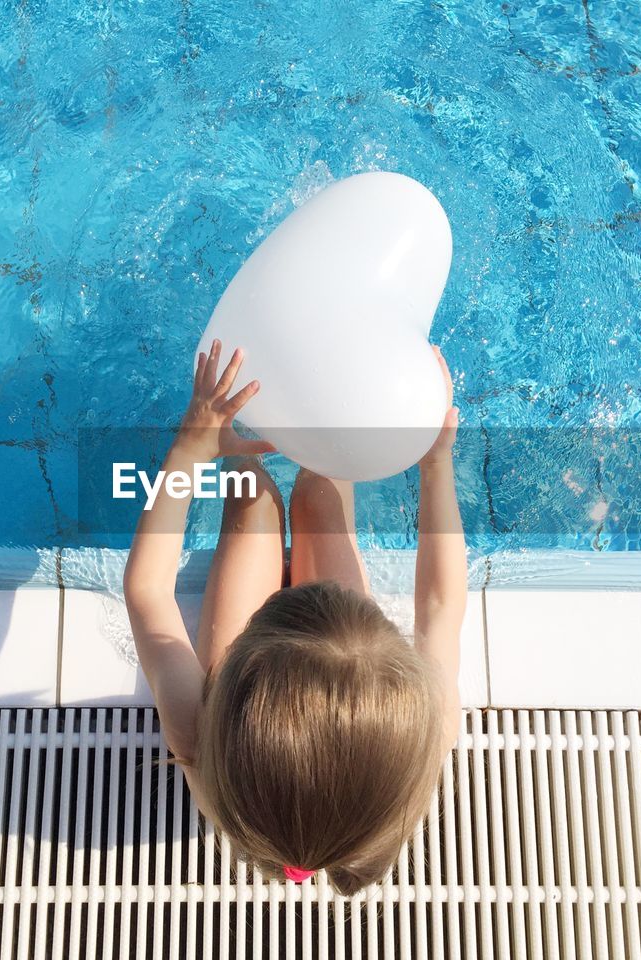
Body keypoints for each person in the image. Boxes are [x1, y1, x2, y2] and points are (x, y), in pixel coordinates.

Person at [122, 338, 464, 895]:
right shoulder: (425, 723)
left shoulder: (202, 738)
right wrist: (434, 461)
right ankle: (327, 443)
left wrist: (190, 452)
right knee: (322, 489)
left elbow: (147, 590)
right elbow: (441, 606)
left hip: (248, 714)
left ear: (240, 668)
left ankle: (249, 454)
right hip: (269, 698)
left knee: (250, 492)